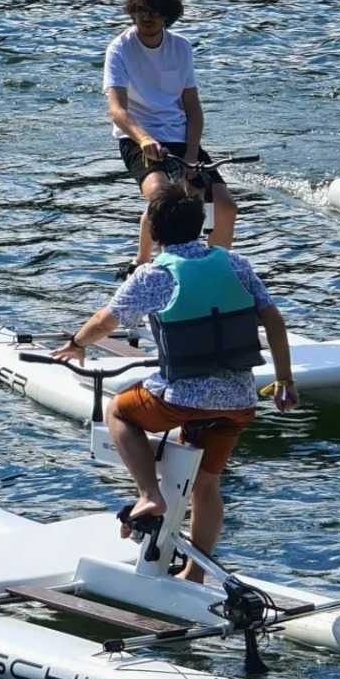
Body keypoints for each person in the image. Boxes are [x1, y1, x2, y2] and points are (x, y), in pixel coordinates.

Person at [54, 183, 297, 583]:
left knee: (119, 412)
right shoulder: (234, 263)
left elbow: (106, 321)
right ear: (200, 225)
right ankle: (195, 574)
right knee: (207, 485)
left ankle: (149, 495)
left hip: (182, 397)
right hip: (238, 401)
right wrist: (285, 380)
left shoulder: (154, 274)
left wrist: (76, 343)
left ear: (154, 230)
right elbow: (272, 319)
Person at [103, 0, 237, 266]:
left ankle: (214, 268)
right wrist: (144, 139)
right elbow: (116, 110)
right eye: (140, 11)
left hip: (180, 137)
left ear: (167, 15)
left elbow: (193, 108)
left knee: (224, 207)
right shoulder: (119, 48)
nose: (146, 18)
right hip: (138, 138)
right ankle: (143, 265)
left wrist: (191, 154)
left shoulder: (181, 48)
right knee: (161, 196)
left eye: (153, 12)